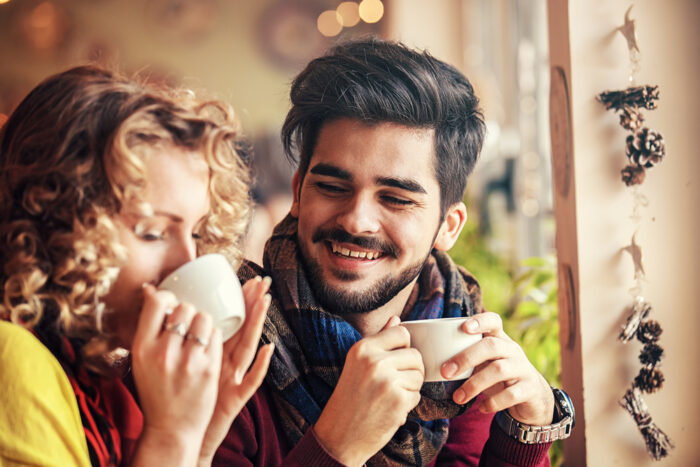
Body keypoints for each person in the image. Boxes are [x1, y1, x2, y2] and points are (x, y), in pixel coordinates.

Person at [215, 38, 574, 466]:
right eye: (331, 187)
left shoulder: (455, 337)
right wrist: (334, 445)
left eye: (397, 198)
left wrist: (527, 431)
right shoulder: (223, 346)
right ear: (297, 193)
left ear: (448, 226)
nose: (356, 220)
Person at [0, 66, 275, 466]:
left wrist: (201, 436)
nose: (187, 261)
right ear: (53, 226)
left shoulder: (105, 383)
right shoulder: (13, 360)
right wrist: (170, 437)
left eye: (196, 234)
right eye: (151, 232)